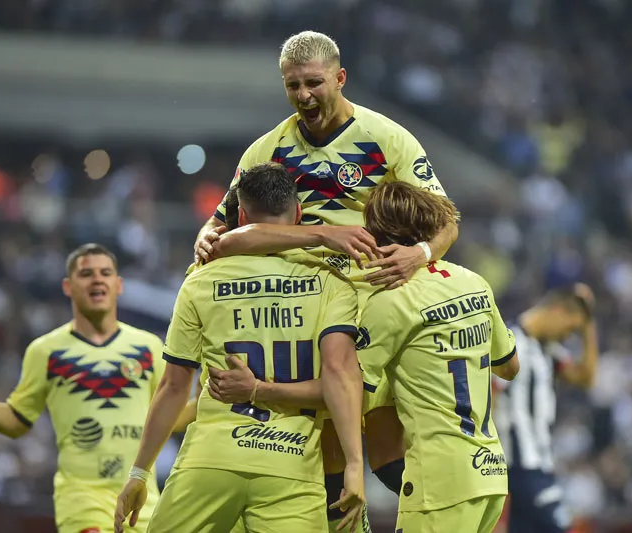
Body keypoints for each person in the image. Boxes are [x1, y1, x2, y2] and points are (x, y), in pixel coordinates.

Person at [193, 30, 458, 530]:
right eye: (293, 86)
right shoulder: (267, 149)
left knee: (366, 429)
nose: (304, 96)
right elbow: (223, 217)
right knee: (322, 437)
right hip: (294, 307)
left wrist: (418, 254)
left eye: (314, 83)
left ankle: (446, 507)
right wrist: (208, 234)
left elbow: (447, 221)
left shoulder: (387, 138)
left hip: (369, 299)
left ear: (339, 78)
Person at [115, 162, 366, 533]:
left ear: (242, 215)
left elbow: (173, 386)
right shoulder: (331, 283)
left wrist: (139, 473)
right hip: (291, 466)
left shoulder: (202, 279)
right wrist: (355, 466)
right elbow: (340, 379)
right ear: (298, 212)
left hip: (211, 460)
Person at [0, 243, 194, 533]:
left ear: (118, 285)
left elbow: (168, 417)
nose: (97, 279)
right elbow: (18, 421)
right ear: (68, 286)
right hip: (81, 500)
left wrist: (207, 400)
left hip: (140, 499)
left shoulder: (149, 347)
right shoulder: (46, 351)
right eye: (86, 274)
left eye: (105, 273)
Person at [356, 181, 520, 533]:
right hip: (489, 473)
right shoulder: (474, 282)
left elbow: (347, 393)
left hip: (440, 481)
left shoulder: (389, 301)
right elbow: (510, 366)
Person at [493, 284, 599, 533]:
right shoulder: (508, 341)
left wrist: (588, 324)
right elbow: (489, 397)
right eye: (571, 328)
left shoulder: (548, 349)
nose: (568, 336)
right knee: (567, 528)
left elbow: (586, 377)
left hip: (540, 464)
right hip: (519, 467)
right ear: (557, 310)